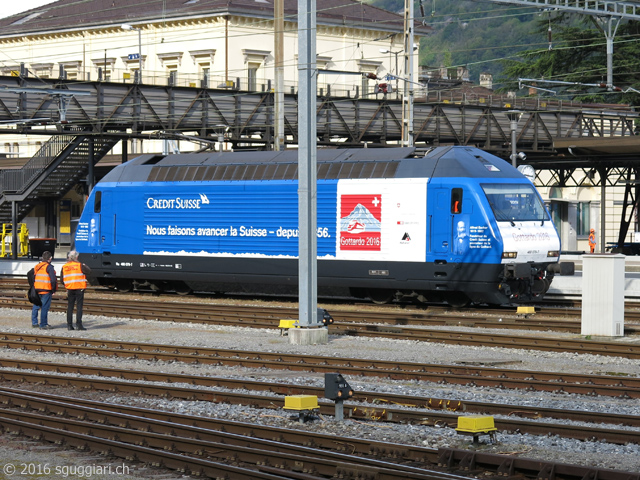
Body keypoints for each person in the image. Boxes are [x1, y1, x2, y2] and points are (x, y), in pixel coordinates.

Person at [61, 250, 91, 331]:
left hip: (70, 289)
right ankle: (79, 325)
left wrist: (67, 285)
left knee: (70, 307)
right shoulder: (80, 265)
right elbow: (89, 271)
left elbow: (61, 280)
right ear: (77, 257)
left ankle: (69, 325)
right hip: (79, 288)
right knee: (79, 307)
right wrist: (84, 264)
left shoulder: (65, 266)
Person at [31, 251, 57, 329]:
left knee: (36, 306)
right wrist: (53, 290)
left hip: (37, 289)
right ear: (50, 258)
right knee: (44, 307)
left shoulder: (37, 266)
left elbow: (32, 275)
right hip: (46, 289)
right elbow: (53, 280)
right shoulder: (49, 267)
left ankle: (34, 323)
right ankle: (43, 324)